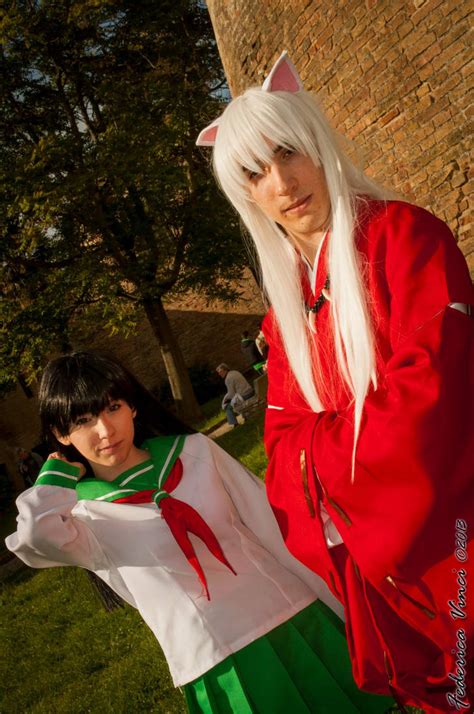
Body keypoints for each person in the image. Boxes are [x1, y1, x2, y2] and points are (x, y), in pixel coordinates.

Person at [197, 51, 474, 713]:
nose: (282, 182)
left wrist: (322, 458)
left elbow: (430, 396)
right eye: (256, 173)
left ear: (318, 145)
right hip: (381, 567)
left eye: (289, 152)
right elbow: (281, 439)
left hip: (452, 538)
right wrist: (322, 456)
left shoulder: (407, 238)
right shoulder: (288, 306)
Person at [5, 351, 393, 714]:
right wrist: (53, 481)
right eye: (82, 421)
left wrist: (338, 602)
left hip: (293, 616)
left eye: (113, 408)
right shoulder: (80, 514)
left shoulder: (193, 451)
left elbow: (271, 523)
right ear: (60, 434)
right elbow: (34, 540)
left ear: (133, 405)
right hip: (217, 658)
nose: (105, 430)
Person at [215, 362, 254, 427]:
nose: (219, 374)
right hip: (250, 391)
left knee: (227, 407)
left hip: (245, 395)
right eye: (218, 372)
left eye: (220, 371)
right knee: (233, 401)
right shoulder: (235, 372)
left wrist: (224, 401)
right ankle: (245, 416)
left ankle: (235, 424)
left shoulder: (228, 379)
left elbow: (231, 394)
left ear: (225, 370)